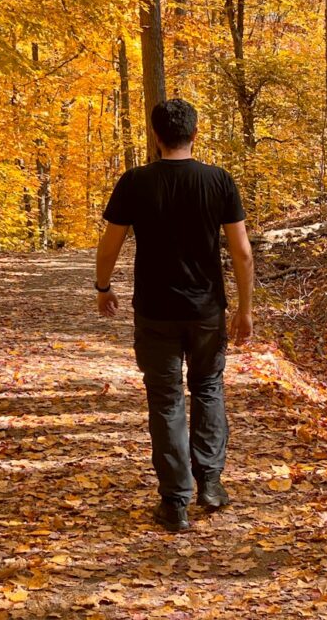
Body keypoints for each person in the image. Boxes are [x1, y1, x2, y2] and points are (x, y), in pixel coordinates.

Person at [95, 98, 254, 532]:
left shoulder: (135, 182)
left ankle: (175, 502)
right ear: (195, 134)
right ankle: (211, 484)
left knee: (166, 400)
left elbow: (109, 246)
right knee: (208, 389)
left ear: (156, 136)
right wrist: (245, 309)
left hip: (155, 311)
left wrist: (103, 287)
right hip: (206, 311)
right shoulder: (218, 180)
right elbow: (242, 252)